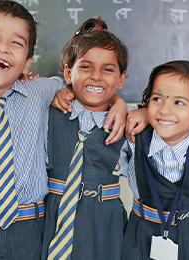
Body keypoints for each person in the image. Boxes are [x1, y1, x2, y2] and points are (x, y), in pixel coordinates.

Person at [0, 2, 128, 259]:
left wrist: (120, 104)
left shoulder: (43, 91)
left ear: (27, 63)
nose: (2, 47)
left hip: (31, 227)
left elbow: (89, 92)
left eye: (16, 43)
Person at [41, 17, 131, 260]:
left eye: (108, 69)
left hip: (106, 223)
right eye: (86, 67)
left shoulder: (129, 124)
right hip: (53, 216)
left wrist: (123, 104)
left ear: (121, 79)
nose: (96, 76)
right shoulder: (49, 111)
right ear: (69, 73)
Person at [121, 60, 189, 260]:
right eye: (157, 99)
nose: (164, 110)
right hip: (140, 235)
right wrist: (130, 107)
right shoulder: (133, 132)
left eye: (178, 102)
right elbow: (95, 107)